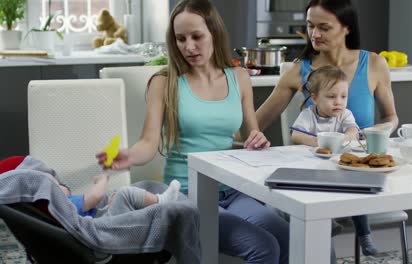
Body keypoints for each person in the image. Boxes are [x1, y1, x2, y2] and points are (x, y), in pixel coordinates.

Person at [96, 0, 289, 263]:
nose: (189, 46)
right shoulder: (164, 83)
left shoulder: (240, 78)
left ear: (214, 32)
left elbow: (250, 138)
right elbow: (148, 143)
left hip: (233, 191)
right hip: (188, 194)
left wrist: (257, 141)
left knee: (287, 236)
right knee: (264, 247)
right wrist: (129, 155)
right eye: (180, 38)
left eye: (197, 36)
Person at [256, 0, 398, 134]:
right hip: (317, 157)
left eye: (324, 28)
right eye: (310, 26)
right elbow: (254, 126)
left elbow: (390, 117)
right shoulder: (297, 70)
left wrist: (377, 132)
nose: (315, 34)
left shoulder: (375, 64)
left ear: (347, 28)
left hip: (361, 157)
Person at [290, 65, 378, 255]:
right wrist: (317, 142)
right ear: (315, 98)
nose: (338, 102)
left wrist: (346, 136)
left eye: (343, 97)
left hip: (340, 170)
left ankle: (365, 235)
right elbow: (296, 135)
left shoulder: (345, 115)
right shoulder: (308, 115)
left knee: (358, 194)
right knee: (316, 195)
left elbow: (353, 131)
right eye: (331, 97)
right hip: (315, 171)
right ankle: (330, 223)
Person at [54, 173, 181, 218]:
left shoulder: (67, 203)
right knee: (124, 193)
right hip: (99, 227)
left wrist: (109, 206)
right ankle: (162, 200)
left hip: (99, 218)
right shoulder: (64, 203)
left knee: (117, 194)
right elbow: (95, 197)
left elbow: (93, 213)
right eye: (58, 185)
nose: (63, 185)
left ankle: (149, 206)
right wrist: (102, 179)